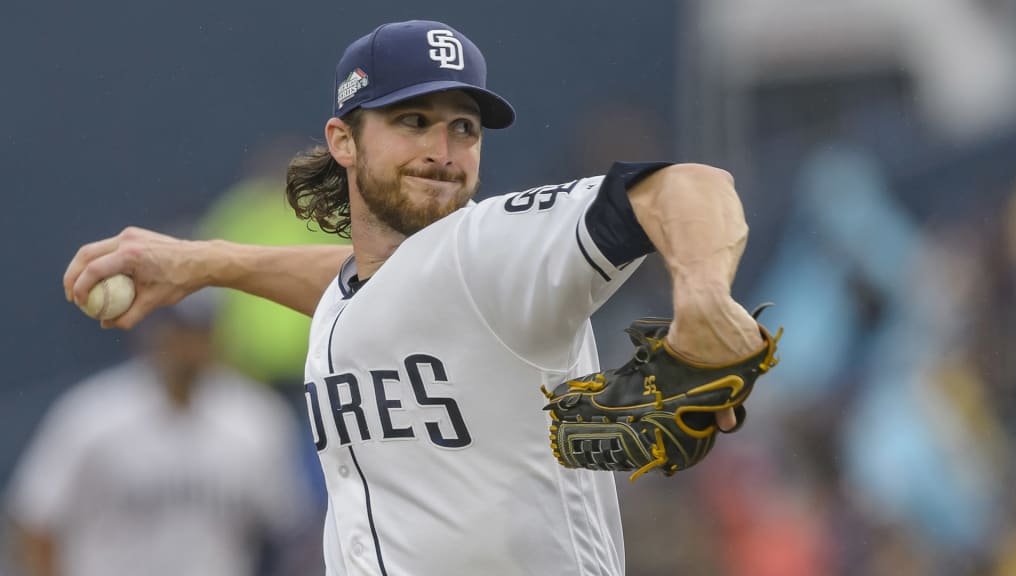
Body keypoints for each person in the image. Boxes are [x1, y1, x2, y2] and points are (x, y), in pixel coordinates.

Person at [63, 20, 766, 576]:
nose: (444, 148)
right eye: (413, 121)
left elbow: (690, 187)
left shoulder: (495, 250)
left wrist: (701, 294)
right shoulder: (374, 291)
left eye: (464, 126)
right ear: (343, 139)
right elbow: (363, 290)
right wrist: (205, 262)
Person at [6, 293, 312, 576]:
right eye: (177, 330)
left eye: (197, 331)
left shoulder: (257, 418)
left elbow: (286, 530)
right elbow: (35, 523)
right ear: (152, 334)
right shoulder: (93, 415)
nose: (186, 344)